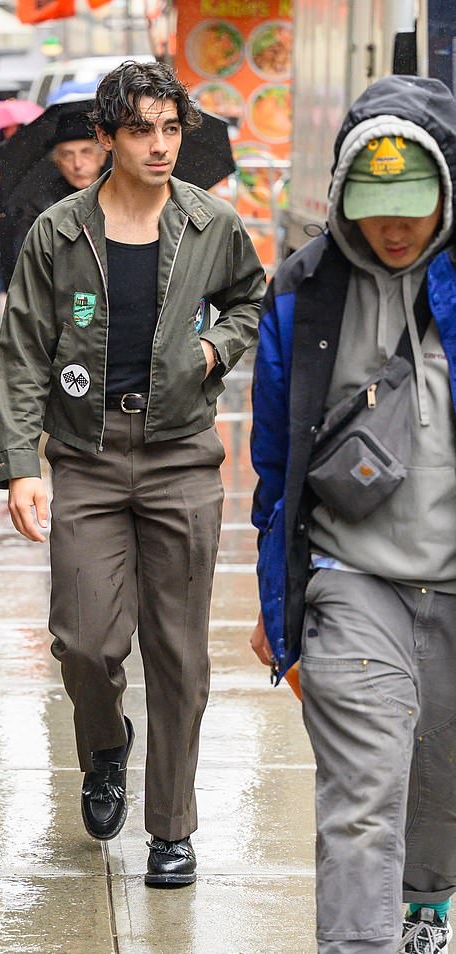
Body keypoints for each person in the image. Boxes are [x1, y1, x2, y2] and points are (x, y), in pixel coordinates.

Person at [0, 60, 265, 886]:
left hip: (182, 456)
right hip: (89, 459)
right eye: (141, 129)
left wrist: (215, 348)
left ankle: (172, 829)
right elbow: (22, 352)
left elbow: (251, 299)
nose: (159, 145)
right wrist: (19, 466)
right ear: (105, 137)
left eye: (171, 128)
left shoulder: (213, 224)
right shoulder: (59, 232)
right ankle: (105, 747)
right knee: (84, 643)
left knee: (179, 653)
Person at [250, 74, 456, 953]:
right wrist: (274, 602)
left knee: (439, 799)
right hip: (351, 583)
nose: (396, 226)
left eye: (414, 204)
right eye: (377, 206)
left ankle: (426, 914)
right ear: (341, 199)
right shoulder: (303, 292)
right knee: (363, 803)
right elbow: (273, 466)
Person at [0, 112, 107, 290]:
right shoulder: (41, 206)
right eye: (68, 155)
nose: (77, 164)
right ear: (58, 161)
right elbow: (27, 262)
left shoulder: (122, 197)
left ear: (102, 156)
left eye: (86, 152)